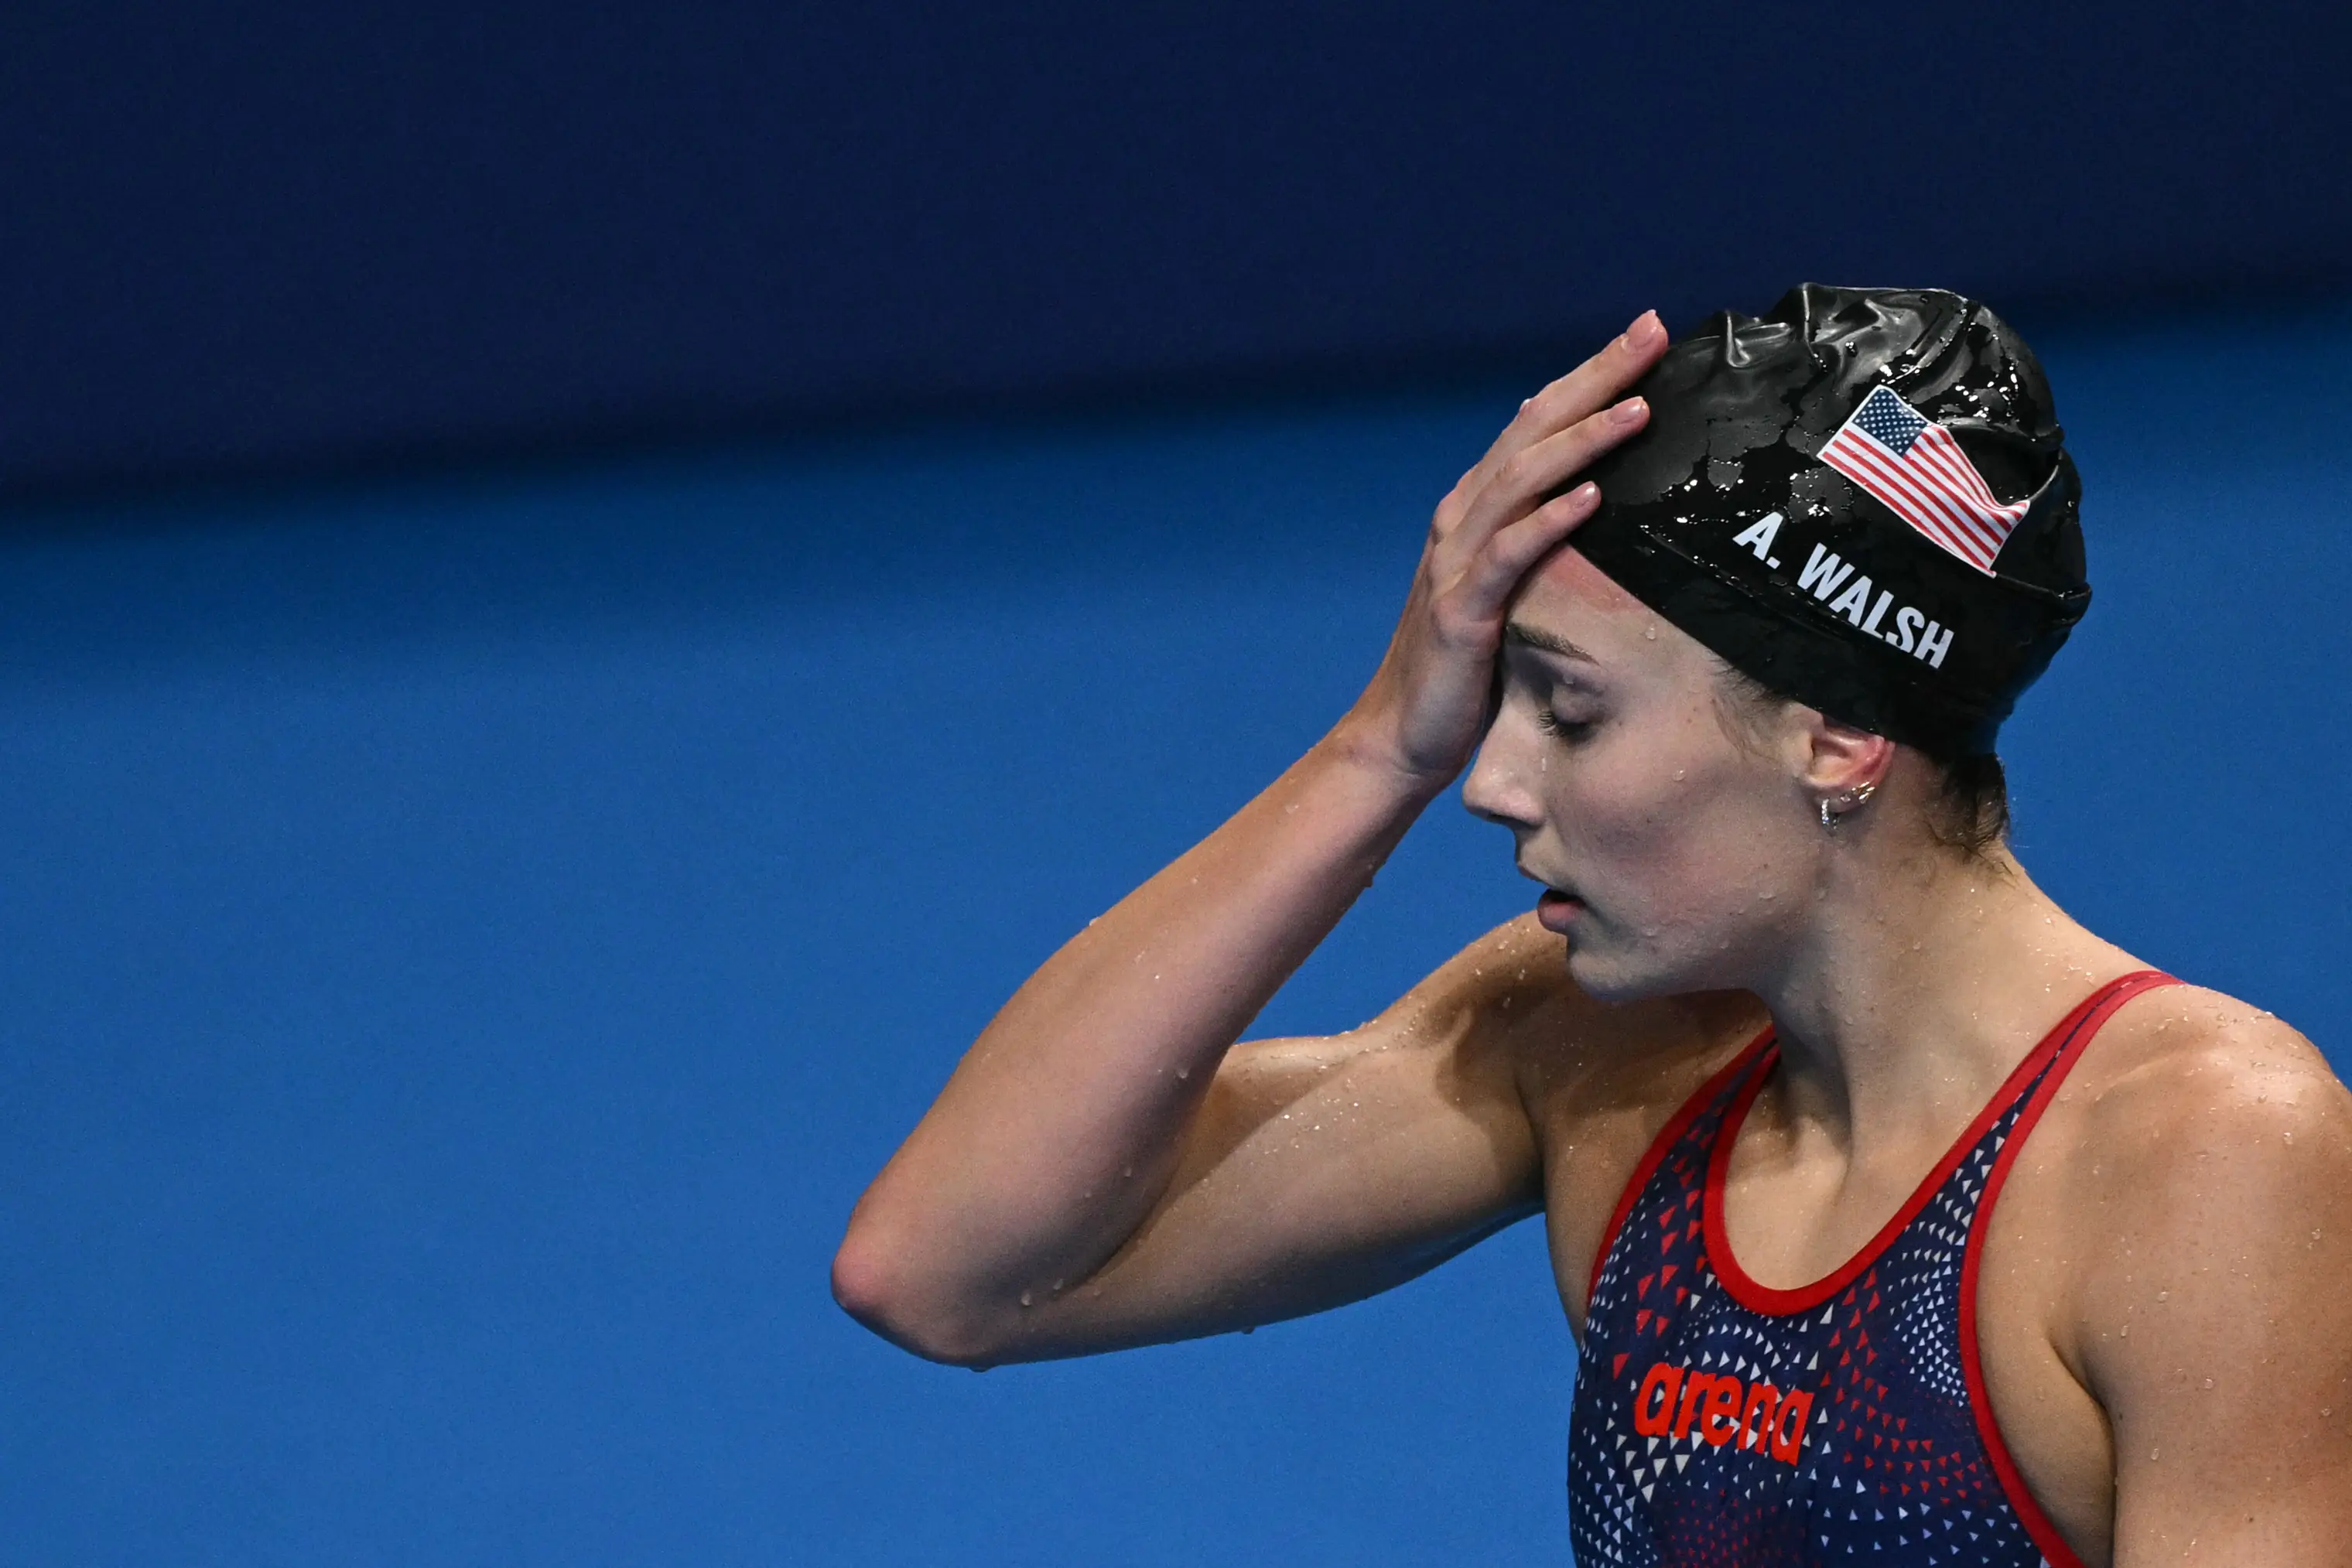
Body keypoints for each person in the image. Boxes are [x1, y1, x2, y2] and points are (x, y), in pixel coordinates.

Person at [831, 285, 2352, 1564]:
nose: (1488, 780)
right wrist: (1377, 745)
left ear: (1833, 736)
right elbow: (946, 1267)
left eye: (1566, 706)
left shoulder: (2198, 1158)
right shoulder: (1597, 1053)